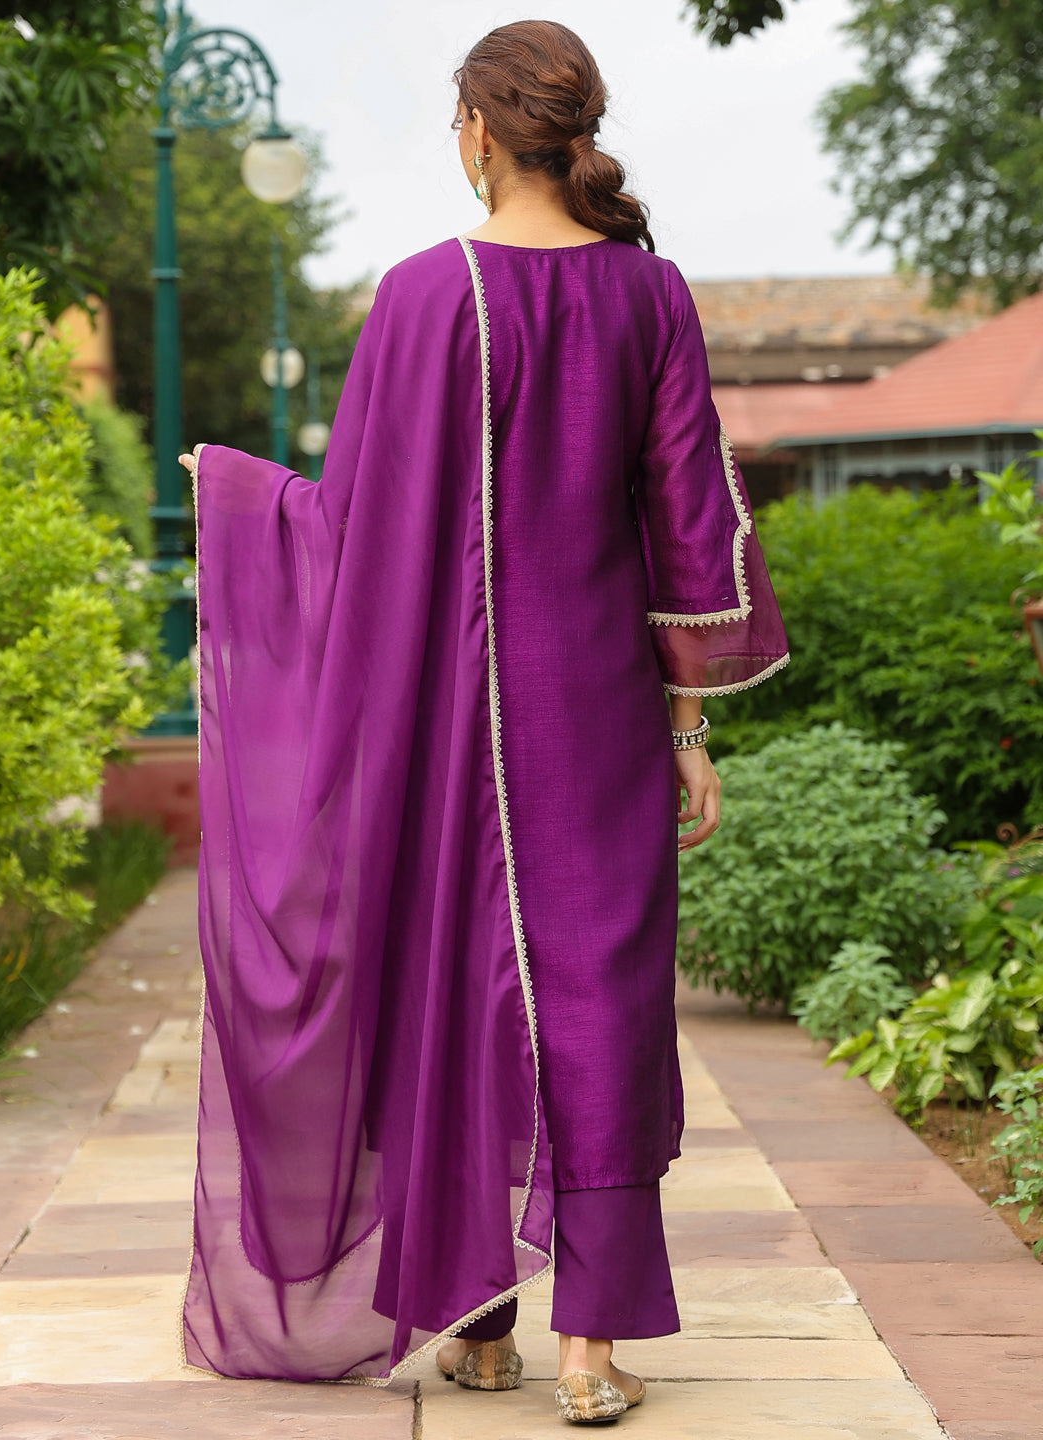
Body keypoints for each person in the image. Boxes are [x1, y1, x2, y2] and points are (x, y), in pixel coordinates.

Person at [178, 18, 788, 1427]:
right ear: (572, 132)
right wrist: (687, 729)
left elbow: (350, 527)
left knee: (457, 989)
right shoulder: (652, 293)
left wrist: (236, 494)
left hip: (443, 729)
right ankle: (590, 1348)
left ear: (476, 134)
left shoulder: (419, 297)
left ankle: (485, 1329)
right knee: (601, 1005)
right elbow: (688, 524)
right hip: (602, 720)